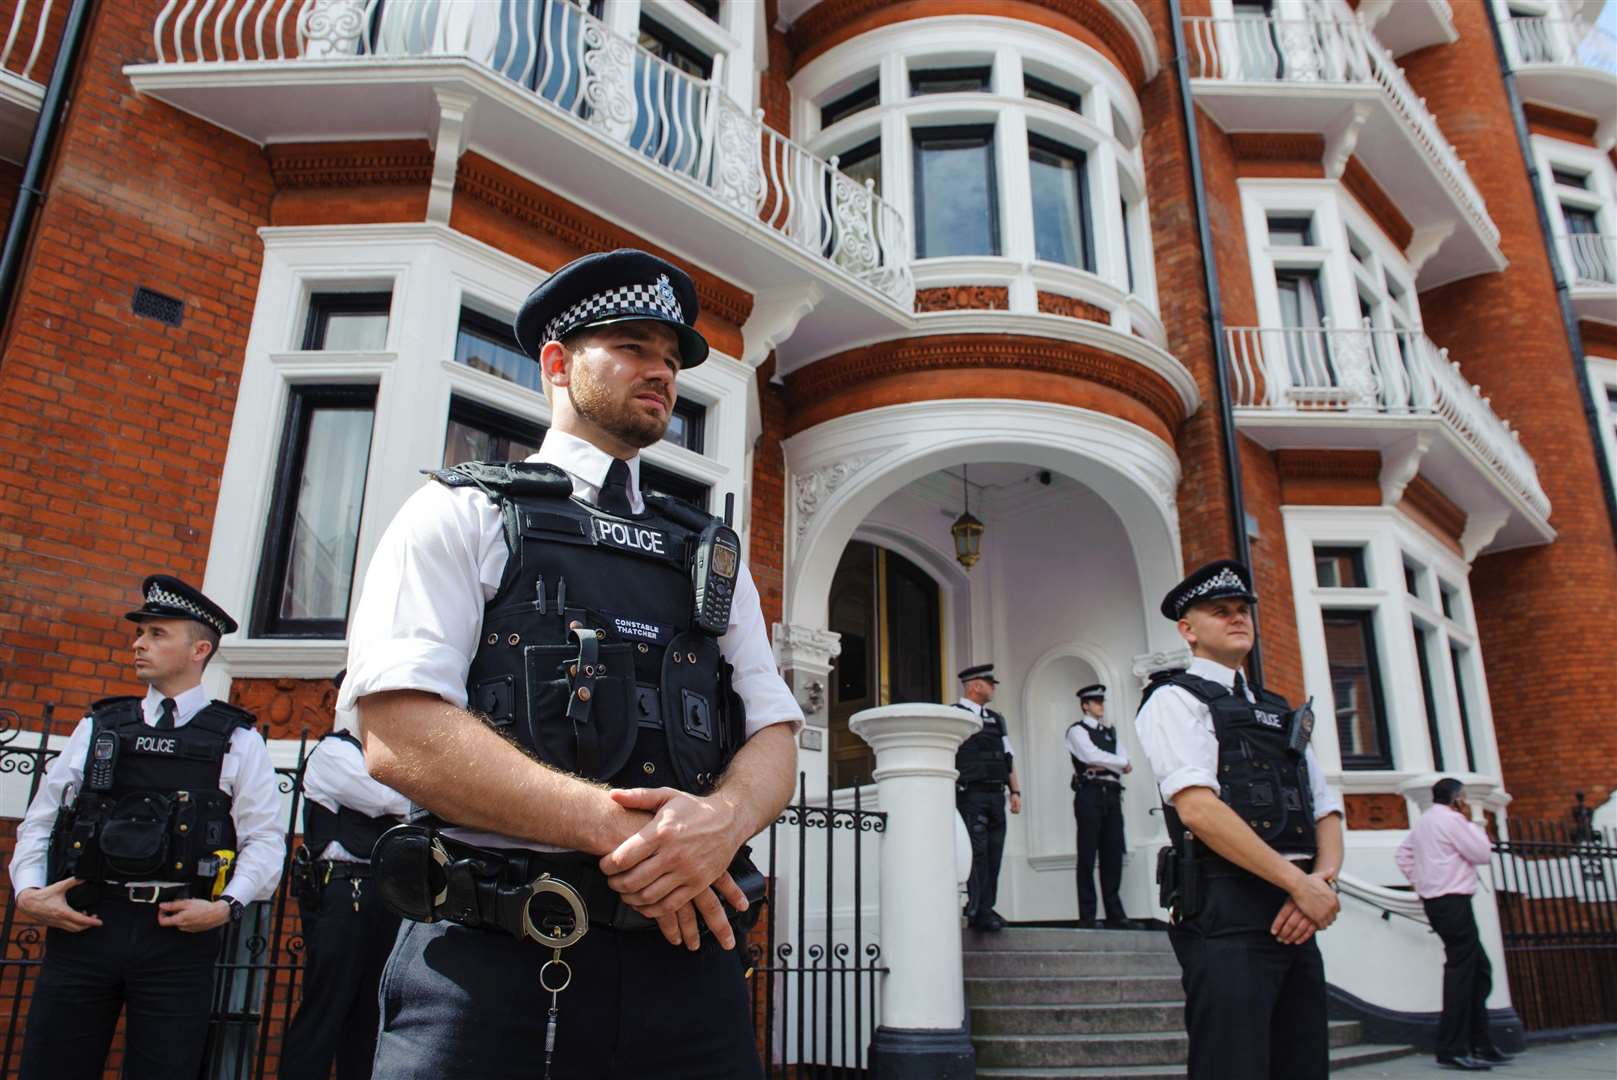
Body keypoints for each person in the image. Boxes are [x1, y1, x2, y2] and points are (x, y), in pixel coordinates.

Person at [342, 249, 802, 1079]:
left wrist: (724, 822)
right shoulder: (463, 511)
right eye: (631, 346)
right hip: (494, 967)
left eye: (670, 358)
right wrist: (628, 836)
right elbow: (399, 734)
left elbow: (773, 733)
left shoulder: (708, 556)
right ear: (556, 363)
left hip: (687, 965)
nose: (660, 370)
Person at [9, 575, 284, 1080]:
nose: (139, 643)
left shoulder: (237, 740)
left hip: (176, 937)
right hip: (85, 925)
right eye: (140, 633)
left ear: (200, 648)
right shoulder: (100, 726)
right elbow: (42, 819)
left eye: (157, 634)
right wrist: (28, 892)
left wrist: (227, 907)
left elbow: (265, 840)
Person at [1134, 560, 1344, 1080]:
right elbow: (1198, 809)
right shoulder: (1175, 700)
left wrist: (1320, 883)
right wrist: (1301, 884)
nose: (1237, 619)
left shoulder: (1278, 709)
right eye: (1219, 611)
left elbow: (1326, 808)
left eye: (1242, 610)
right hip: (1228, 907)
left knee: (1302, 1065)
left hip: (1298, 908)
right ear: (1188, 630)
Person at [280, 671, 409, 1080]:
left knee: (371, 1013)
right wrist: (423, 792)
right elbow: (387, 800)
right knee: (326, 1008)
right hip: (340, 892)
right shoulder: (333, 753)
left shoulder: (389, 755)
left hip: (384, 894)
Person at [1395, 779, 1512, 1071]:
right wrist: (1471, 820)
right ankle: (1453, 1048)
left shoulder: (1425, 822)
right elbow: (1482, 853)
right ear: (1457, 798)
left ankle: (1479, 1042)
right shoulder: (1452, 820)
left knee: (1479, 970)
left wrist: (1422, 882)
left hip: (1438, 902)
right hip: (1453, 901)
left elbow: (1402, 854)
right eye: (1464, 797)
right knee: (1462, 972)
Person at [1067, 684, 1141, 930]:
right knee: (1087, 853)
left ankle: (1115, 914)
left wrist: (1114, 763)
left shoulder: (1111, 733)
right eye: (1095, 702)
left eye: (1101, 701)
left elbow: (1125, 761)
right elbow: (1091, 757)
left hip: (1112, 793)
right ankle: (1087, 916)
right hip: (1090, 793)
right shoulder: (1076, 731)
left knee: (1112, 853)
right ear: (1085, 705)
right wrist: (1118, 763)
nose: (1100, 706)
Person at [953, 663, 1021, 932]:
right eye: (990, 683)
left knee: (994, 853)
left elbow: (1008, 758)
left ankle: (987, 907)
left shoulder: (997, 719)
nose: (993, 688)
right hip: (971, 794)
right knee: (977, 854)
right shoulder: (954, 715)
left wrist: (1015, 791)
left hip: (996, 795)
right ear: (975, 685)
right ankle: (976, 908)